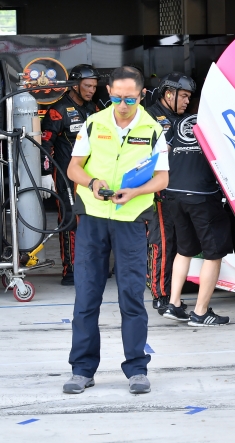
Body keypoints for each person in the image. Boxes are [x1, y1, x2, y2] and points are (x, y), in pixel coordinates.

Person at [63, 66, 169, 395]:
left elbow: (162, 179)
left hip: (130, 222)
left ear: (141, 95)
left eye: (130, 98)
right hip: (93, 220)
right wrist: (93, 182)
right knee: (87, 297)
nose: (123, 104)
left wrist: (135, 192)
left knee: (131, 297)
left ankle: (136, 369)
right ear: (109, 92)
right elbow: (73, 168)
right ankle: (82, 370)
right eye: (116, 97)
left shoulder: (153, 130)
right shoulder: (94, 124)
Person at [160, 84, 233, 327]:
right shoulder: (219, 124)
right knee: (213, 255)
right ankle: (201, 313)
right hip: (202, 194)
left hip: (173, 192)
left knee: (184, 249)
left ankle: (174, 304)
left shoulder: (181, 123)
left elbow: (165, 151)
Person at [39, 64, 100, 285]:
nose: (92, 90)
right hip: (65, 175)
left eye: (94, 86)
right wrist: (46, 172)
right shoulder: (59, 109)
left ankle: (92, 266)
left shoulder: (93, 108)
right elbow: (45, 144)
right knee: (70, 221)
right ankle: (71, 270)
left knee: (92, 221)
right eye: (87, 86)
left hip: (90, 176)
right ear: (75, 85)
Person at [144, 72, 193, 314]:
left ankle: (172, 290)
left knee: (178, 243)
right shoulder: (148, 117)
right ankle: (159, 294)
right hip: (158, 191)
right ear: (169, 94)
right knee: (162, 242)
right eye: (183, 96)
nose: (187, 101)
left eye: (189, 97)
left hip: (179, 190)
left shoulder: (182, 119)